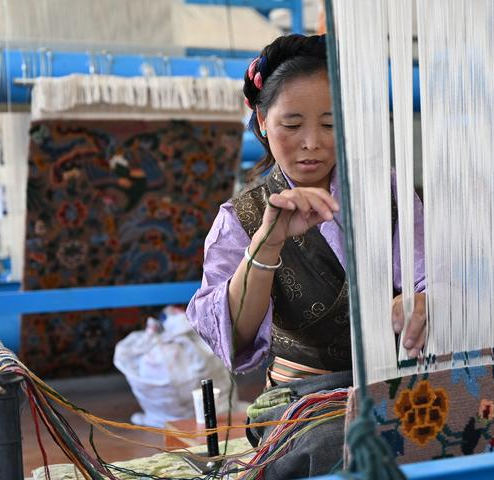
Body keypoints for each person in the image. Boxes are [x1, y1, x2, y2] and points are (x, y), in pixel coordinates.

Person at [186, 33, 426, 478]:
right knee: (340, 441)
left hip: (392, 381)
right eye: (292, 125)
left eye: (330, 125)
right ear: (262, 120)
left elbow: (429, 275)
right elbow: (235, 337)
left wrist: (422, 303)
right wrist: (268, 240)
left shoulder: (387, 191)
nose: (312, 142)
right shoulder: (241, 219)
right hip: (305, 400)